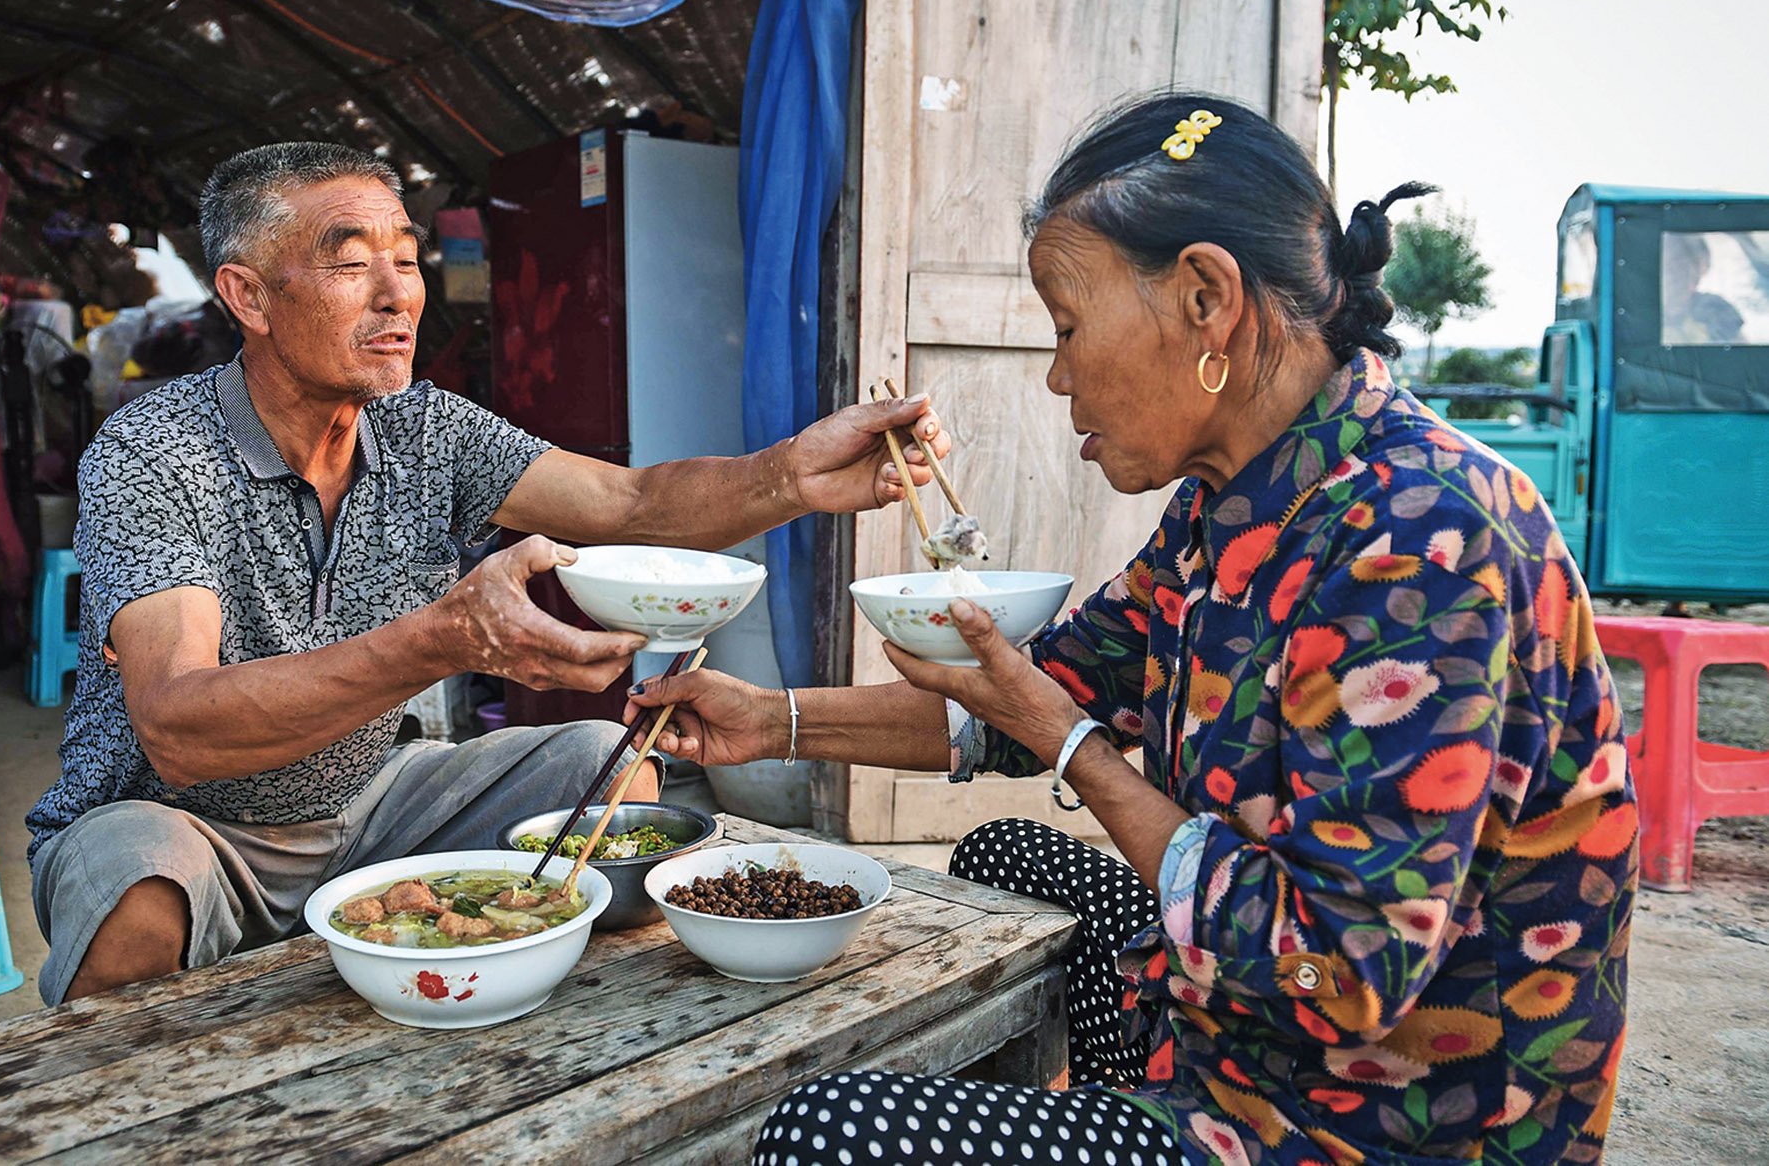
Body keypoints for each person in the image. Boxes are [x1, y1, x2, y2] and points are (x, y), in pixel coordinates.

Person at [628, 95, 1634, 1166]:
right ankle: (1095, 1109)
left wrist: (1077, 748)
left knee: (829, 1132)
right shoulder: (1232, 504)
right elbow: (1032, 693)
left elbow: (1338, 978)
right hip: (1235, 1030)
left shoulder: (1417, 540)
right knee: (1005, 855)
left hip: (1358, 1120)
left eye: (1066, 326)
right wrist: (768, 719)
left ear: (1207, 299)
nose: (1058, 375)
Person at [26, 141, 950, 1005]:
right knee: (132, 883)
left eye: (406, 259)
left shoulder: (429, 430)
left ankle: (541, 1067)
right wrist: (442, 639)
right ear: (250, 297)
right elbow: (180, 727)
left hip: (373, 805)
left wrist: (792, 473)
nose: (399, 297)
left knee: (608, 765)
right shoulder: (154, 452)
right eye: (352, 265)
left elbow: (631, 505)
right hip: (190, 825)